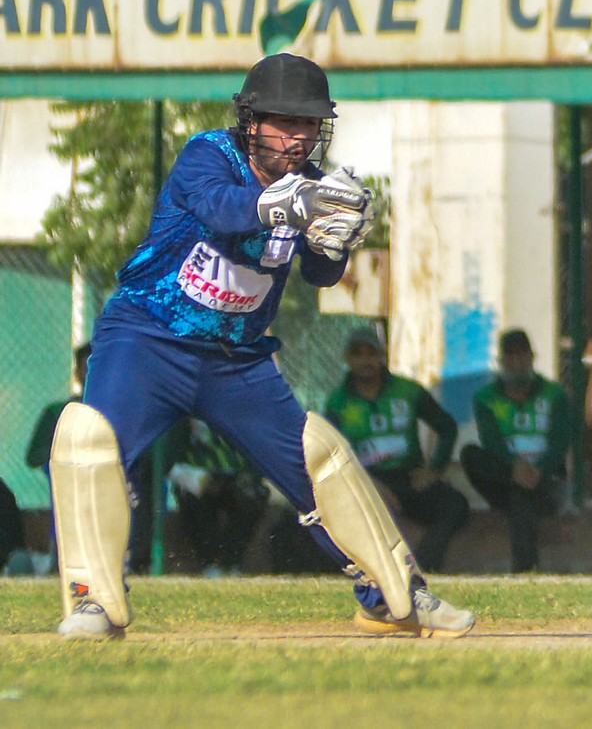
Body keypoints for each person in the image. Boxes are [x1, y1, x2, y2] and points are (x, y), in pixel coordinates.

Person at [50, 52, 474, 640]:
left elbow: (321, 276)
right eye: (283, 122)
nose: (296, 137)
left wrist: (333, 243)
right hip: (148, 337)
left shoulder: (315, 188)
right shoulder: (208, 154)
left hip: (237, 359)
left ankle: (395, 596)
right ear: (250, 120)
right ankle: (92, 601)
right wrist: (281, 205)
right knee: (92, 444)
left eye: (307, 124)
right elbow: (221, 209)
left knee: (318, 465)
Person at [324, 326, 469, 573]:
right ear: (347, 359)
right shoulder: (338, 402)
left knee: (455, 504)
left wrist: (434, 469)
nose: (366, 360)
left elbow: (447, 427)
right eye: (358, 354)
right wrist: (370, 485)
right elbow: (334, 454)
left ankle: (423, 567)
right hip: (367, 481)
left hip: (408, 477)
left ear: (382, 356)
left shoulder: (407, 391)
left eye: (372, 353)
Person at [26, 344, 160, 575]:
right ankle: (68, 563)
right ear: (76, 372)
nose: (90, 373)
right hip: (75, 480)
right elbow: (35, 455)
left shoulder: (128, 412)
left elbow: (149, 455)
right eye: (85, 367)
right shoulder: (59, 412)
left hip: (119, 479)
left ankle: (133, 562)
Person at [460, 328, 573, 572]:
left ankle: (525, 570)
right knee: (470, 454)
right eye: (510, 357)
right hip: (506, 477)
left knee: (521, 496)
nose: (517, 363)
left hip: (545, 481)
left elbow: (560, 441)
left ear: (532, 358)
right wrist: (515, 469)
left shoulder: (554, 395)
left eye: (522, 355)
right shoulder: (486, 398)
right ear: (501, 361)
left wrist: (538, 470)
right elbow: (492, 442)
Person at [168, 419, 270, 577]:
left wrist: (250, 474)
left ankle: (231, 564)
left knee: (253, 494)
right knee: (191, 497)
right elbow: (169, 458)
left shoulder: (244, 410)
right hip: (197, 473)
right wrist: (200, 479)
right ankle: (211, 565)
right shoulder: (185, 412)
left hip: (235, 475)